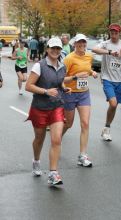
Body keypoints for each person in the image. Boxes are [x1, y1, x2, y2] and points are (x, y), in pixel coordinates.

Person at [25, 37, 74, 186]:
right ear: (47, 49)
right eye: (52, 48)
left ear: (61, 50)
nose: (55, 51)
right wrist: (46, 91)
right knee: (39, 139)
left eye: (58, 48)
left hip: (56, 107)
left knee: (56, 139)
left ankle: (53, 173)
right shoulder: (39, 66)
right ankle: (36, 160)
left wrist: (63, 88)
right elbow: (28, 86)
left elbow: (59, 81)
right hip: (39, 107)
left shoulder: (62, 66)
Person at [63, 33, 98, 167]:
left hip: (84, 93)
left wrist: (92, 72)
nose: (82, 45)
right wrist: (75, 77)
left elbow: (87, 69)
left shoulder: (89, 56)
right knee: (69, 124)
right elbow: (61, 79)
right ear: (75, 44)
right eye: (79, 43)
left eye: (84, 43)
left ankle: (82, 155)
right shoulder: (69, 58)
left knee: (85, 123)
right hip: (70, 93)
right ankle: (57, 139)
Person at [92, 23, 121, 141]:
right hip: (107, 78)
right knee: (113, 103)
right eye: (112, 33)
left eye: (116, 33)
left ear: (120, 33)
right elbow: (94, 49)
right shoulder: (105, 44)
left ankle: (107, 128)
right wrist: (109, 52)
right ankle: (107, 128)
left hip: (119, 80)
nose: (113, 35)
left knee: (114, 106)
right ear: (110, 33)